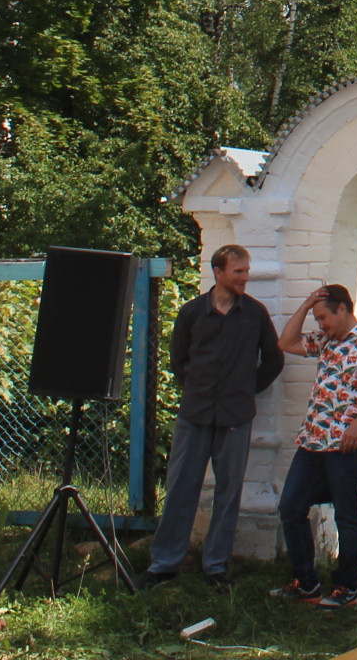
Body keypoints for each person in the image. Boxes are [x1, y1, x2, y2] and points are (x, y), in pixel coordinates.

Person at [143, 243, 283, 589]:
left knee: (229, 491)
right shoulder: (192, 313)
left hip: (236, 416)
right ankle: (164, 564)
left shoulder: (254, 314)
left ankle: (216, 566)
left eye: (247, 272)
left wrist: (245, 387)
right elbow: (178, 361)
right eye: (238, 272)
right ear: (218, 273)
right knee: (181, 488)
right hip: (195, 413)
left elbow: (274, 359)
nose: (244, 278)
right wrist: (196, 388)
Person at [270, 282, 357, 611]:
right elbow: (285, 342)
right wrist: (306, 304)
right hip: (312, 440)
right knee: (292, 508)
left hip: (345, 444)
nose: (320, 324)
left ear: (344, 309)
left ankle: (346, 588)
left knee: (347, 514)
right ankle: (306, 582)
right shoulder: (325, 341)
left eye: (324, 317)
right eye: (317, 318)